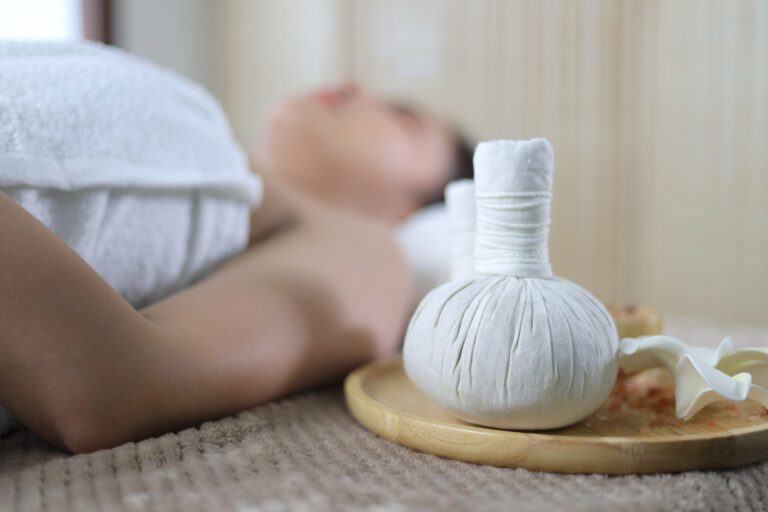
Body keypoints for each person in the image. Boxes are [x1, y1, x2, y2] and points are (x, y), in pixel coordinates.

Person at [0, 42, 472, 453]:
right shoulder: (225, 163)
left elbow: (110, 387)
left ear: (408, 214)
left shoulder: (372, 253)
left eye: (402, 118)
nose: (351, 83)